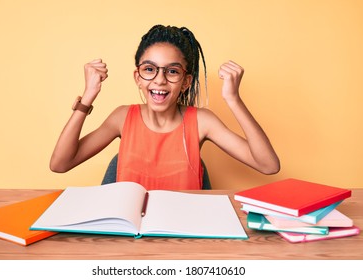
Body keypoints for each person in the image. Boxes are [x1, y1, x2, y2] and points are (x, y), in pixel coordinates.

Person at [50, 24, 280, 190]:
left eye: (172, 71)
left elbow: (268, 165)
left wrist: (233, 99)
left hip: (182, 239)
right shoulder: (122, 117)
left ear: (185, 82)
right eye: (150, 69)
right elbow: (60, 164)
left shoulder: (202, 121)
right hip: (129, 241)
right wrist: (88, 96)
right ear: (138, 77)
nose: (159, 80)